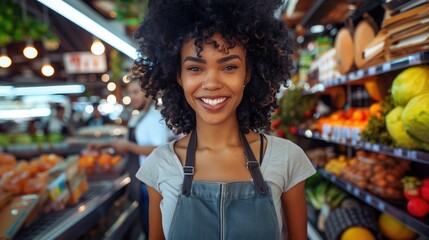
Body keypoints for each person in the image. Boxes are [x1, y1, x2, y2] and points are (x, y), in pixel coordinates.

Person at [132, 0, 316, 239]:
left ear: (247, 74)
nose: (211, 83)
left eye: (229, 67)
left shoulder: (286, 158)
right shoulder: (161, 164)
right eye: (195, 69)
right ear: (178, 76)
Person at [89, 78, 172, 237]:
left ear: (148, 93)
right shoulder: (137, 116)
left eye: (136, 92)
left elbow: (160, 150)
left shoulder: (156, 117)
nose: (131, 97)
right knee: (146, 227)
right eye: (129, 93)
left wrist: (127, 147)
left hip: (153, 184)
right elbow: (131, 144)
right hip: (140, 179)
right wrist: (105, 146)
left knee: (155, 231)